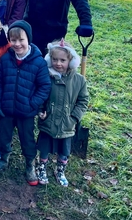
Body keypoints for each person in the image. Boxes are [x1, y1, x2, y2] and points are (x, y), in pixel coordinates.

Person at [0, 20, 51, 186]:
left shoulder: (38, 62)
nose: (17, 44)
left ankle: (29, 164)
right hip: (6, 109)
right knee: (3, 137)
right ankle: (4, 158)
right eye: (13, 40)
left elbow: (45, 86)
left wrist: (33, 103)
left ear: (29, 39)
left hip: (26, 112)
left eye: (21, 40)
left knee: (27, 140)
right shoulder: (5, 60)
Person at [36, 39, 88, 187]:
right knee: (44, 147)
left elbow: (83, 101)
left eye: (62, 60)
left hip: (67, 124)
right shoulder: (46, 77)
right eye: (54, 59)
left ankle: (60, 170)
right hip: (48, 121)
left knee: (64, 150)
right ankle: (42, 168)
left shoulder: (79, 81)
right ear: (49, 59)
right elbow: (41, 96)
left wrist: (74, 117)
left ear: (70, 61)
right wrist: (40, 111)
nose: (58, 63)